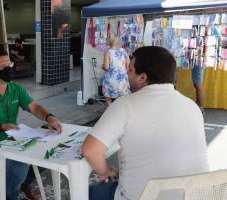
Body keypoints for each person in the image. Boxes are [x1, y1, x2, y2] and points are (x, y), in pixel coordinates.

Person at [82, 46, 209, 200]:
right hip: (196, 195)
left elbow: (90, 150)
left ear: (142, 77)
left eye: (130, 69)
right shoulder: (193, 107)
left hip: (142, 196)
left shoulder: (125, 105)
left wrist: (105, 171)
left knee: (87, 193)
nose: (126, 73)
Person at [0, 50, 62, 200]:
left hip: (13, 139)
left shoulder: (15, 89)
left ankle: (25, 184)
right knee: (18, 167)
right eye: (2, 66)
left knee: (46, 153)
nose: (8, 68)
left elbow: (34, 107)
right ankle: (12, 196)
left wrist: (49, 118)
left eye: (9, 64)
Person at [101, 37, 130, 106]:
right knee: (121, 98)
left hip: (111, 79)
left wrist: (102, 66)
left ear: (110, 43)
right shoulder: (124, 51)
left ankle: (110, 108)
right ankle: (120, 110)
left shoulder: (108, 52)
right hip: (122, 80)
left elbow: (106, 67)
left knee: (108, 95)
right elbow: (128, 66)